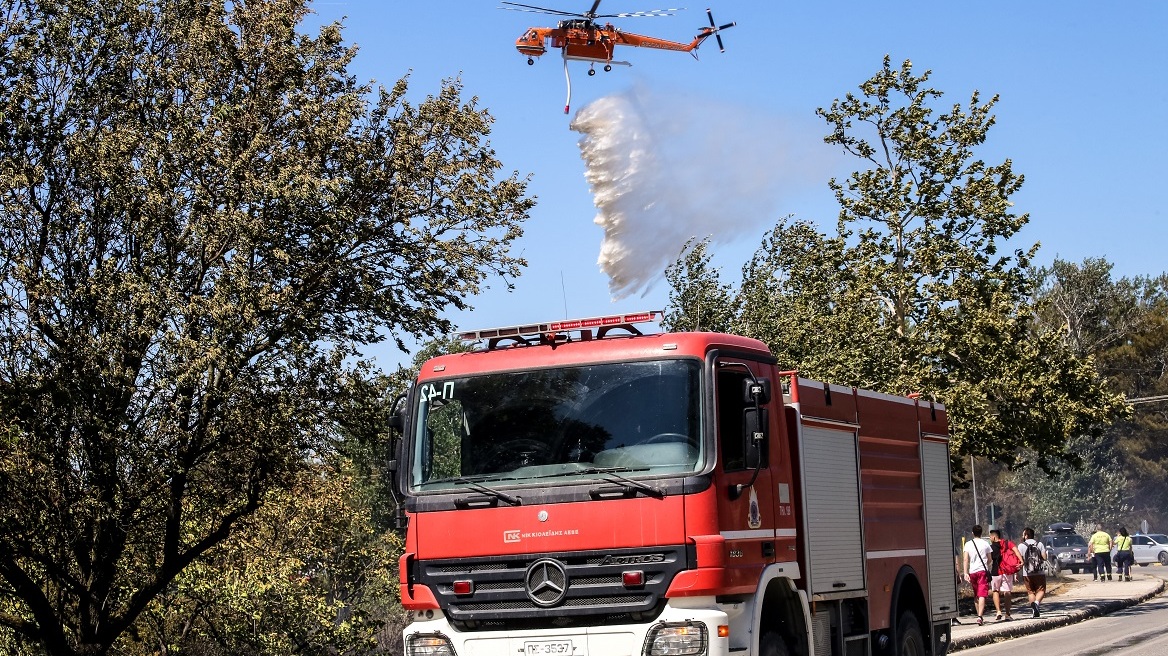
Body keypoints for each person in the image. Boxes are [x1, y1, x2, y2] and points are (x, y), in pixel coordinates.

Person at [962, 524, 993, 625]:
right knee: (982, 594)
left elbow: (966, 559)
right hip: (982, 571)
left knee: (976, 594)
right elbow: (990, 559)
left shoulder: (968, 544)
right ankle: (980, 616)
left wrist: (966, 572)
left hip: (973, 571)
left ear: (972, 533)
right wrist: (986, 564)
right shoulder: (985, 544)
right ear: (981, 533)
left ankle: (978, 615)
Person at [988, 529, 1021, 621]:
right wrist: (1021, 562)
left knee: (995, 591)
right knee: (1007, 592)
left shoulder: (991, 547)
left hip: (995, 571)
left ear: (994, 537)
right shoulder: (1008, 543)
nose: (990, 538)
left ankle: (998, 611)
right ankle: (1007, 614)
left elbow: (989, 560)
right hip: (1007, 571)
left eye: (990, 537)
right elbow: (1016, 552)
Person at [1018, 526, 1048, 617]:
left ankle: (1034, 610)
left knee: (1030, 592)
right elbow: (1044, 558)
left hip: (1027, 573)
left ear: (1026, 535)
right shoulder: (1039, 544)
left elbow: (1019, 560)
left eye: (1023, 534)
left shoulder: (1021, 546)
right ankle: (1037, 603)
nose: (1022, 536)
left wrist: (1016, 573)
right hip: (1039, 572)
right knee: (1041, 590)